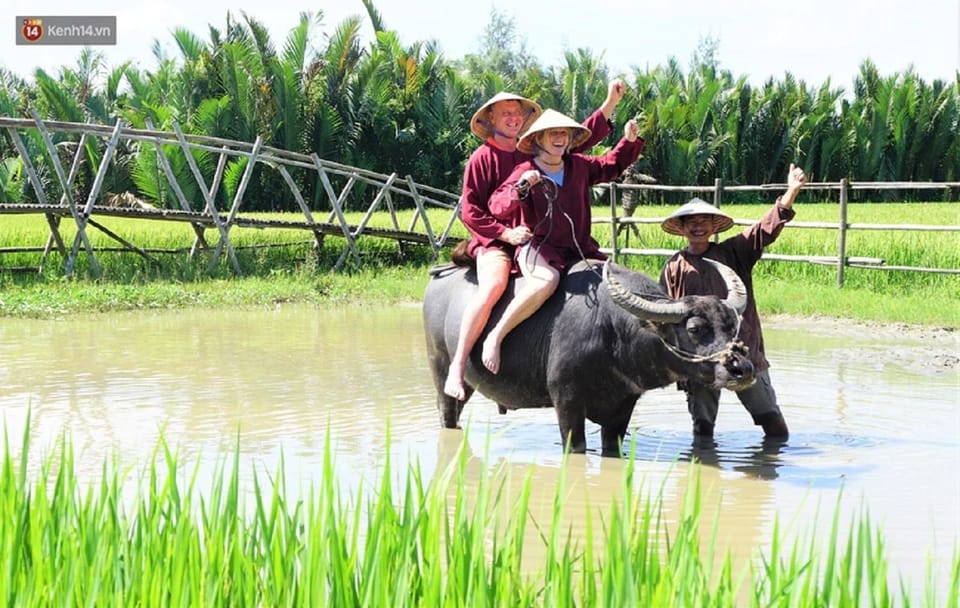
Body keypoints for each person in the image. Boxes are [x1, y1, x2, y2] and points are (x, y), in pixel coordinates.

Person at [443, 81, 626, 400]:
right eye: (505, 113)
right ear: (491, 119)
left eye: (517, 113)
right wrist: (504, 234)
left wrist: (610, 103)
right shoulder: (481, 159)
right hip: (499, 240)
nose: (512, 118)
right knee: (494, 287)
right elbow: (471, 210)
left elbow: (579, 138)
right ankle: (458, 367)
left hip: (541, 236)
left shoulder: (537, 150)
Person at [481, 109, 644, 373]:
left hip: (579, 249)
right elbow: (497, 206)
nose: (559, 137)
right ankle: (496, 336)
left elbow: (612, 164)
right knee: (547, 281)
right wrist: (522, 187)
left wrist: (629, 140)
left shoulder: (579, 166)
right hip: (539, 248)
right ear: (539, 139)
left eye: (564, 133)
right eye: (552, 133)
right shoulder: (525, 170)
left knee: (615, 280)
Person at [658, 163, 808, 439]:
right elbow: (666, 318)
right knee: (702, 431)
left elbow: (765, 230)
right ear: (681, 229)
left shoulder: (735, 252)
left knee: (772, 424)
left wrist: (791, 191)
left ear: (715, 226)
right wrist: (677, 365)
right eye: (691, 222)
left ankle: (770, 468)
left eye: (704, 221)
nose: (698, 227)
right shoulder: (674, 267)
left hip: (743, 351)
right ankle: (704, 475)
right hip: (701, 359)